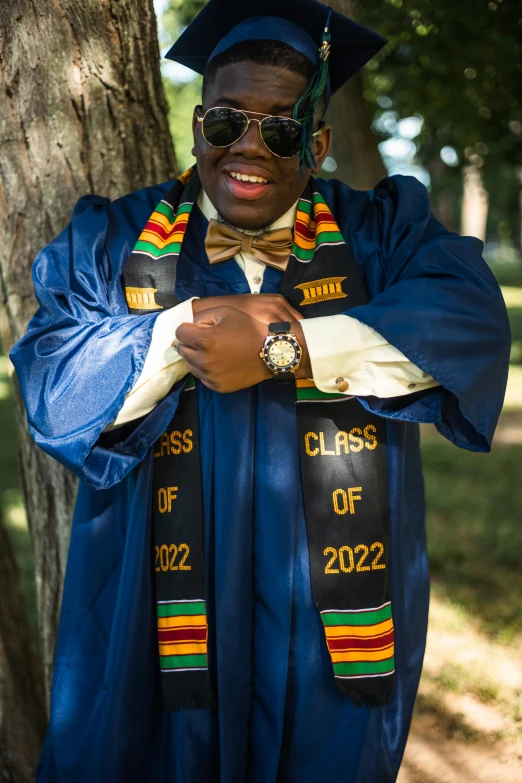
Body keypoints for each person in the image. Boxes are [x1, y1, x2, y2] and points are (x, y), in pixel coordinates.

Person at [11, 0, 510, 780]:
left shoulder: (381, 236)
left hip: (324, 637)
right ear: (197, 125)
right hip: (148, 626)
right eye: (226, 123)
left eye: (280, 129)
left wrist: (287, 346)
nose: (250, 147)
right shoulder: (111, 241)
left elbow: (469, 323)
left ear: (317, 143)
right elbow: (53, 384)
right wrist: (186, 331)